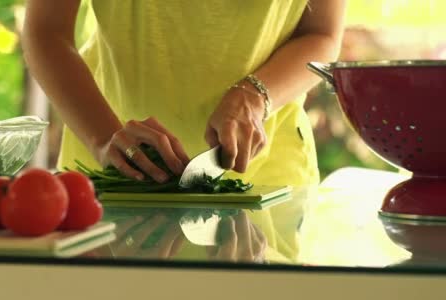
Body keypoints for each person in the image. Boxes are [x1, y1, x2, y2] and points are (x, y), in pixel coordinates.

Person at [23, 0, 346, 186]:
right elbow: (46, 31)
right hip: (117, 174)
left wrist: (254, 96)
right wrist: (103, 138)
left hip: (265, 180)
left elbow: (321, 34)